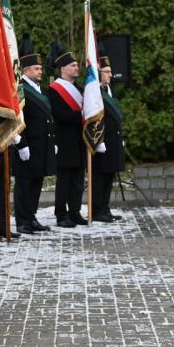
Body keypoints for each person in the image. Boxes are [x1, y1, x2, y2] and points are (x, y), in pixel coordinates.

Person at [12, 36, 54, 233]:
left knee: (37, 182)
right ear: (26, 70)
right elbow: (18, 117)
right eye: (36, 69)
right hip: (28, 144)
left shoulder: (39, 89)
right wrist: (22, 143)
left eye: (40, 68)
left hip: (42, 145)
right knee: (24, 184)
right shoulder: (21, 89)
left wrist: (53, 139)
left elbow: (47, 117)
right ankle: (22, 220)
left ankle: (32, 216)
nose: (40, 71)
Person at [47, 42, 87, 227]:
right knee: (64, 181)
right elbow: (59, 114)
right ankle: (61, 215)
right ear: (63, 69)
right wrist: (82, 115)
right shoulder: (54, 90)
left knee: (78, 180)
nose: (76, 68)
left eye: (76, 65)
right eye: (72, 66)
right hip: (64, 141)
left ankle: (75, 211)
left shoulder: (79, 89)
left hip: (79, 140)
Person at [90, 55, 125, 222]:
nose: (110, 75)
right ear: (99, 72)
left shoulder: (108, 90)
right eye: (107, 72)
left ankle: (105, 207)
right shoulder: (94, 92)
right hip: (102, 141)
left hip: (113, 141)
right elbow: (94, 117)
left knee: (109, 176)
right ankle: (96, 210)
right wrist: (98, 140)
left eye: (111, 72)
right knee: (99, 177)